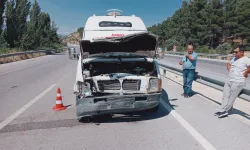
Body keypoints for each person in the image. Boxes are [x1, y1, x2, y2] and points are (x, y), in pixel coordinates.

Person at [215, 45, 250, 118]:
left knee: (231, 97)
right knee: (225, 96)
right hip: (230, 80)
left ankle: (225, 111)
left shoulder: (246, 59)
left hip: (238, 81)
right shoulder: (234, 58)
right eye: (234, 52)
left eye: (236, 52)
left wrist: (245, 73)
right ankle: (222, 109)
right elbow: (228, 64)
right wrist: (230, 71)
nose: (234, 53)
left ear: (241, 52)